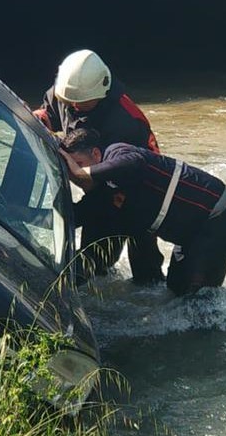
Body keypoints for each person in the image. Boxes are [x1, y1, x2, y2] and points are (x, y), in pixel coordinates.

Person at [59, 128, 226, 296]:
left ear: (95, 153)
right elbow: (76, 215)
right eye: (72, 170)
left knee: (197, 296)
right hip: (194, 232)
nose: (77, 174)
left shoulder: (118, 152)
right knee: (178, 289)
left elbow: (135, 163)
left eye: (79, 163)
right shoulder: (103, 190)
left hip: (224, 217)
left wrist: (83, 173)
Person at [33, 49, 164, 284]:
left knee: (145, 269)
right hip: (97, 179)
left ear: (101, 93)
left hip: (137, 190)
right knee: (91, 262)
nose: (73, 106)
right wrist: (37, 120)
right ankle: (95, 277)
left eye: (80, 104)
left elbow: (114, 189)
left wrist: (74, 215)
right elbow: (49, 113)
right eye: (68, 101)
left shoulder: (125, 124)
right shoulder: (67, 92)